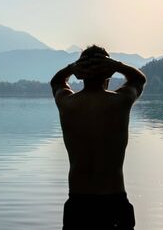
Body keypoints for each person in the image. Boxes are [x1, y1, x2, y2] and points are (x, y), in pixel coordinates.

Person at [50, 45, 146, 230]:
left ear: (81, 74)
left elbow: (56, 83)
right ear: (108, 74)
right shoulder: (121, 101)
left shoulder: (67, 103)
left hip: (79, 202)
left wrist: (72, 68)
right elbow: (138, 79)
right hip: (114, 199)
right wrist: (117, 65)